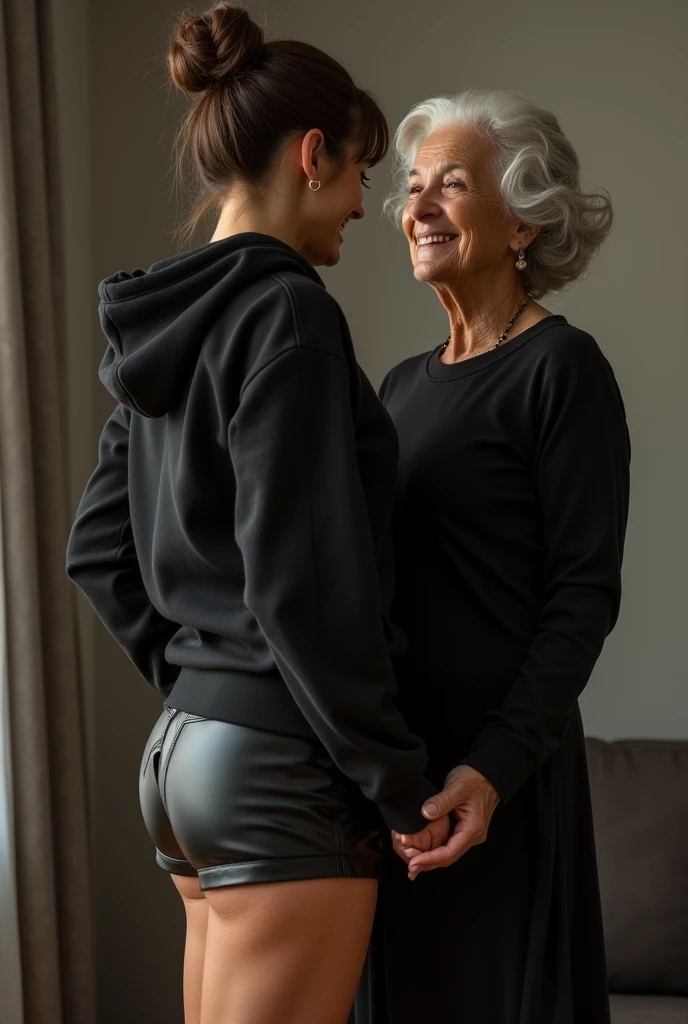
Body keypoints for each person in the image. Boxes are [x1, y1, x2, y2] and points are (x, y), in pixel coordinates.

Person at [66, 6, 449, 1023]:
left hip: (184, 757)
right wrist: (401, 787)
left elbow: (97, 545)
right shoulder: (290, 315)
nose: (366, 209)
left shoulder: (166, 328)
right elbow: (305, 586)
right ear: (312, 155)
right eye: (366, 174)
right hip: (274, 767)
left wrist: (206, 685)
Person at [353, 91, 630, 1024]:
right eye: (413, 186)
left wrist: (493, 769)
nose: (418, 205)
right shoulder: (396, 386)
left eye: (453, 184)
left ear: (524, 221)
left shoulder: (564, 369)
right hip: (401, 792)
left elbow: (582, 598)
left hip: (497, 787)